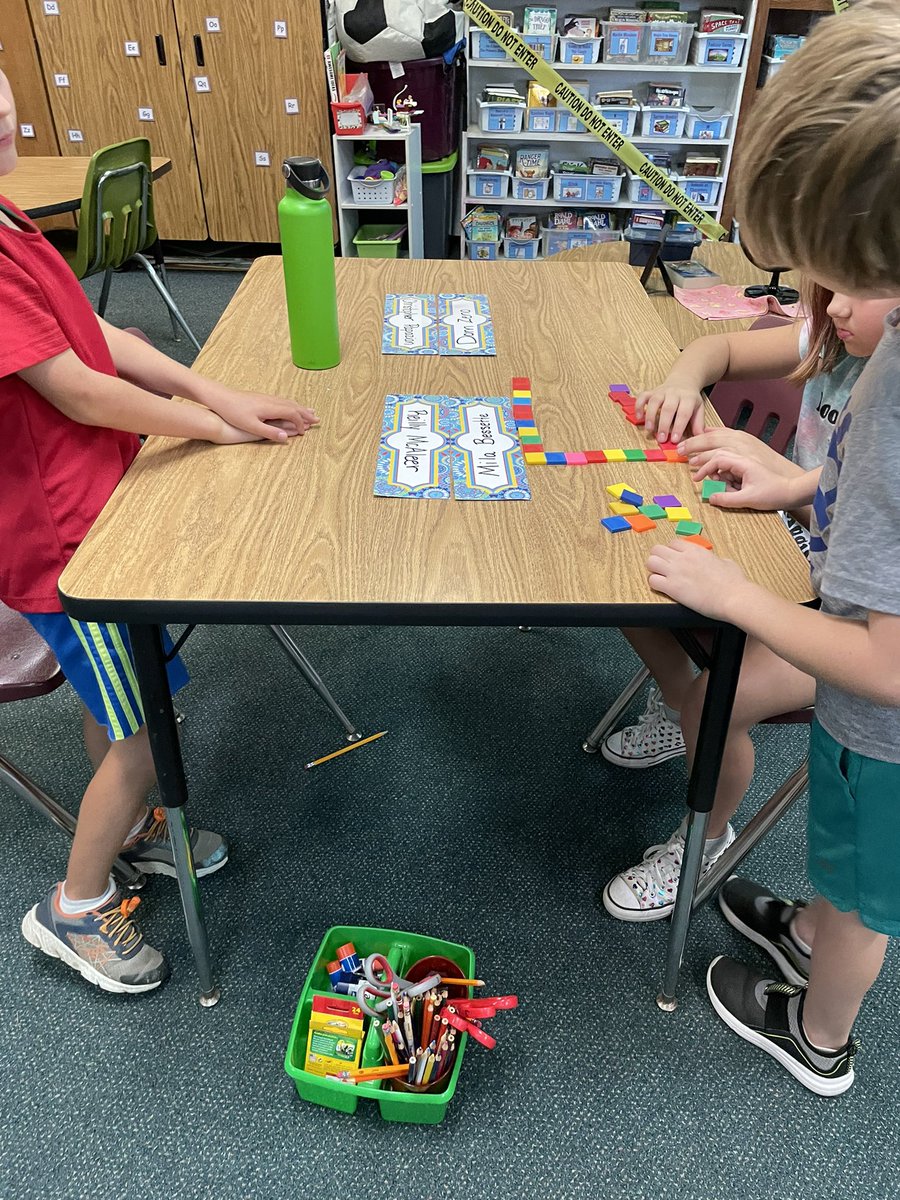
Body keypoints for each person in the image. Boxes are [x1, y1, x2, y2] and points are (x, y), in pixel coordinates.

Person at [0, 68, 318, 994]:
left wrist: (213, 390)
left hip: (97, 514)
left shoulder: (13, 220)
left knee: (125, 703)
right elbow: (79, 390)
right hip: (68, 548)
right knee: (143, 729)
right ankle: (75, 904)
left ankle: (133, 828)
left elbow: (100, 343)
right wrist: (213, 427)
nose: (2, 110)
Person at [644, 0, 900, 1094]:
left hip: (881, 720)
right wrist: (796, 479)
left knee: (867, 887)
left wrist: (730, 596)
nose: (824, 302)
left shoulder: (894, 395)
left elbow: (891, 664)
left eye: (843, 278)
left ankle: (821, 1035)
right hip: (863, 695)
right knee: (848, 878)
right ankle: (812, 929)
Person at [601, 285, 890, 923]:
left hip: (850, 622)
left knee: (716, 702)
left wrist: (743, 583)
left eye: (864, 289)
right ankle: (681, 709)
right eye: (831, 285)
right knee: (628, 579)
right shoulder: (835, 334)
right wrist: (683, 384)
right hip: (793, 546)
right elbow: (717, 346)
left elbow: (877, 645)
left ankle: (708, 834)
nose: (836, 306)